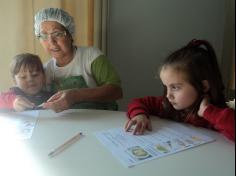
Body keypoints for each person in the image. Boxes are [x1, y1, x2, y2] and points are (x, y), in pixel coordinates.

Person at [124, 39, 235, 142]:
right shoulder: (167, 105)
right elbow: (138, 102)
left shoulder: (215, 116)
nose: (168, 95)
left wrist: (207, 111)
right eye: (166, 86)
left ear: (203, 86)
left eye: (175, 87)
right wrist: (139, 115)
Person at [34, 8, 123, 113]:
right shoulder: (46, 70)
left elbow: (116, 91)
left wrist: (75, 95)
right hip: (68, 123)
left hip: (101, 120)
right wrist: (14, 101)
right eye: (44, 35)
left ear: (70, 35)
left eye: (57, 34)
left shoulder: (90, 56)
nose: (51, 42)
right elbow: (26, 91)